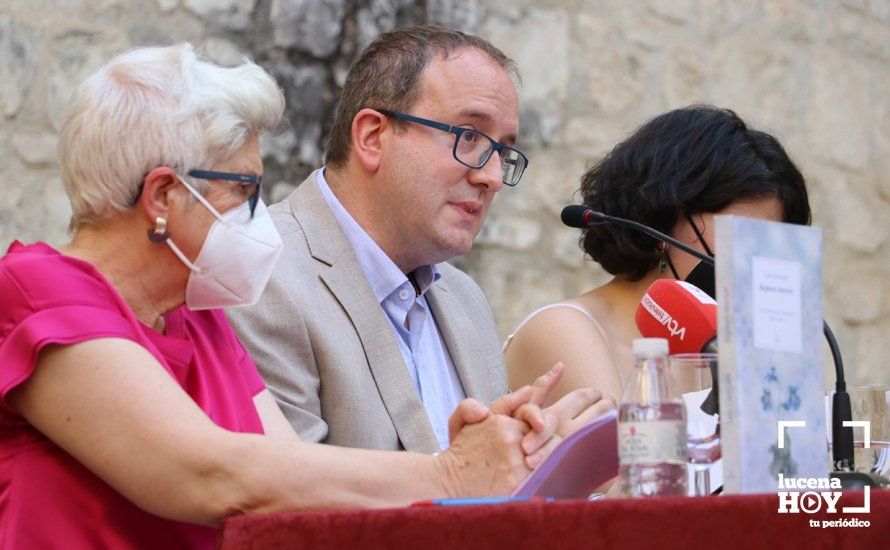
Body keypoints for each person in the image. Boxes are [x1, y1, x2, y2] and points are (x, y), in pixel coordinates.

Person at [0, 43, 564, 549]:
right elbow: (211, 476)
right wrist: (453, 475)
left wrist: (494, 452)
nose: (259, 215)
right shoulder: (38, 291)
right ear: (164, 196)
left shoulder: (198, 318)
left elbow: (287, 469)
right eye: (243, 189)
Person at [228, 26, 613, 458]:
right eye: (469, 137)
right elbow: (294, 501)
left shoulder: (465, 299)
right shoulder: (263, 271)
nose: (492, 177)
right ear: (373, 137)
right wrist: (470, 474)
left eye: (504, 153)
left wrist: (538, 463)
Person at [505, 106, 812, 404]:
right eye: (741, 236)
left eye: (769, 247)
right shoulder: (565, 331)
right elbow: (627, 453)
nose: (753, 264)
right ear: (665, 217)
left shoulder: (720, 352)